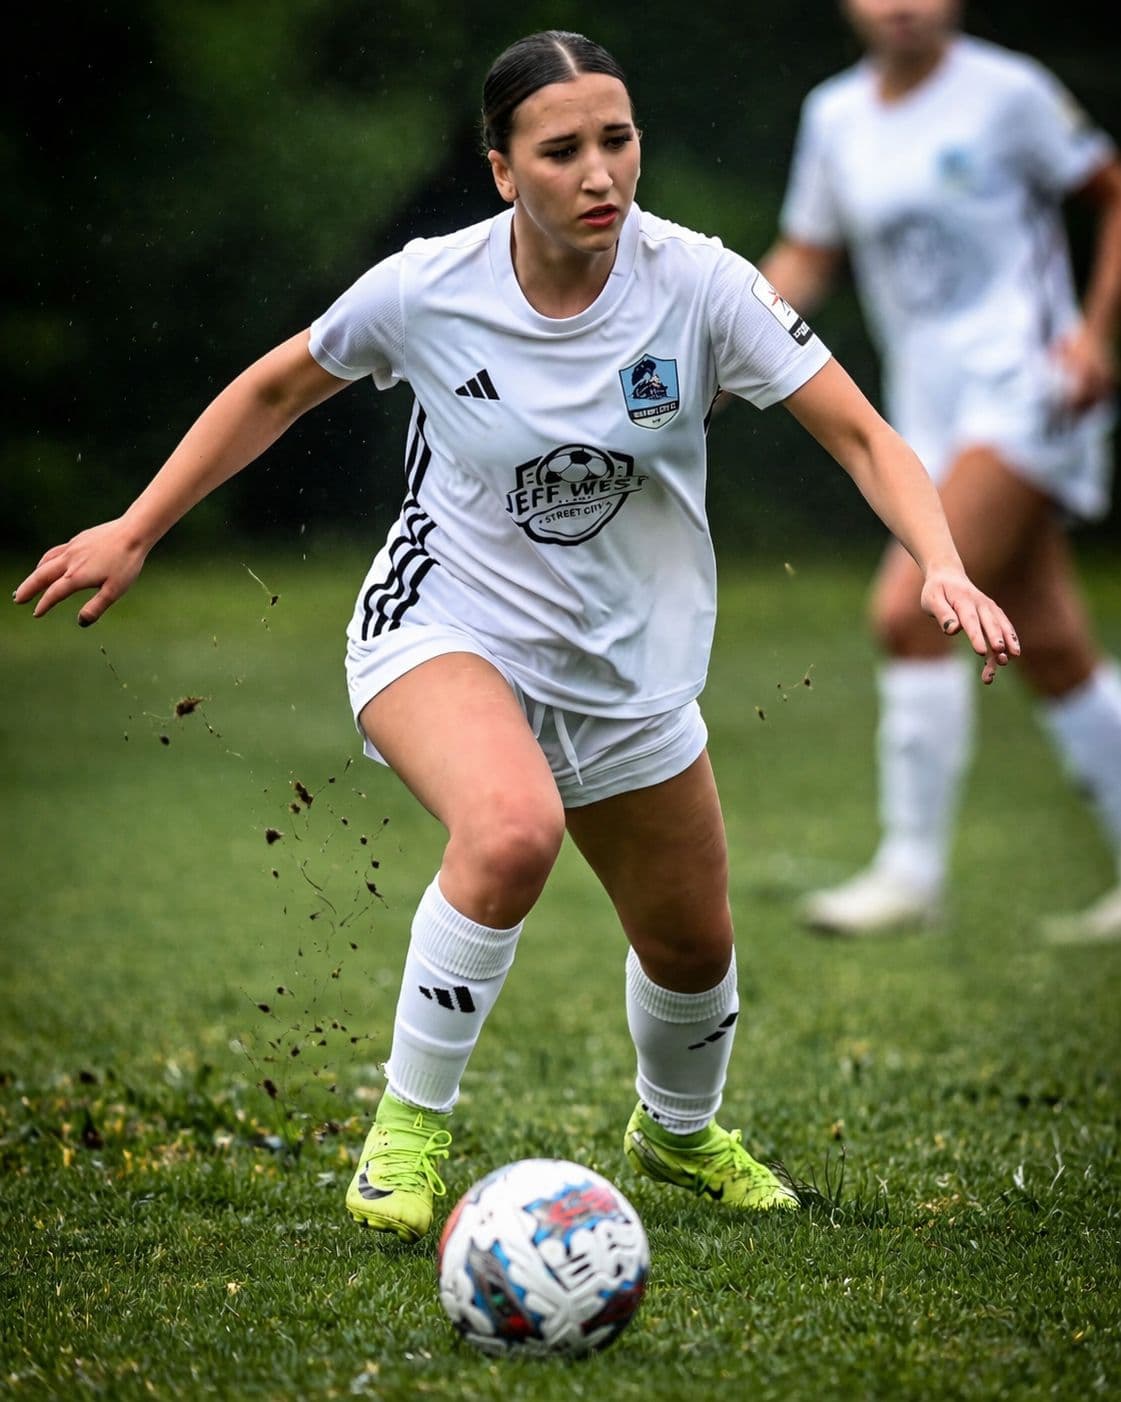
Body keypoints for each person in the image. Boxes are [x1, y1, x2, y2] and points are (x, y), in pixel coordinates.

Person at [13, 30, 1018, 1244]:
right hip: (442, 627)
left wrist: (941, 559)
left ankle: (678, 1132)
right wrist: (137, 525)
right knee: (509, 830)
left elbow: (861, 436)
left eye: (617, 139)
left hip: (624, 670)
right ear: (502, 171)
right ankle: (406, 1131)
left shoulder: (699, 283)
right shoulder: (428, 287)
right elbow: (276, 386)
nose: (600, 174)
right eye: (562, 151)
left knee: (693, 947)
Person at [761, 0, 1121, 942]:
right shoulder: (832, 114)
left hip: (1028, 390)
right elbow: (808, 251)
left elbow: (1112, 190)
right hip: (927, 412)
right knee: (1046, 638)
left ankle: (909, 873)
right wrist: (722, 332)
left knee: (910, 607)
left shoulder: (1006, 93)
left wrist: (1095, 337)